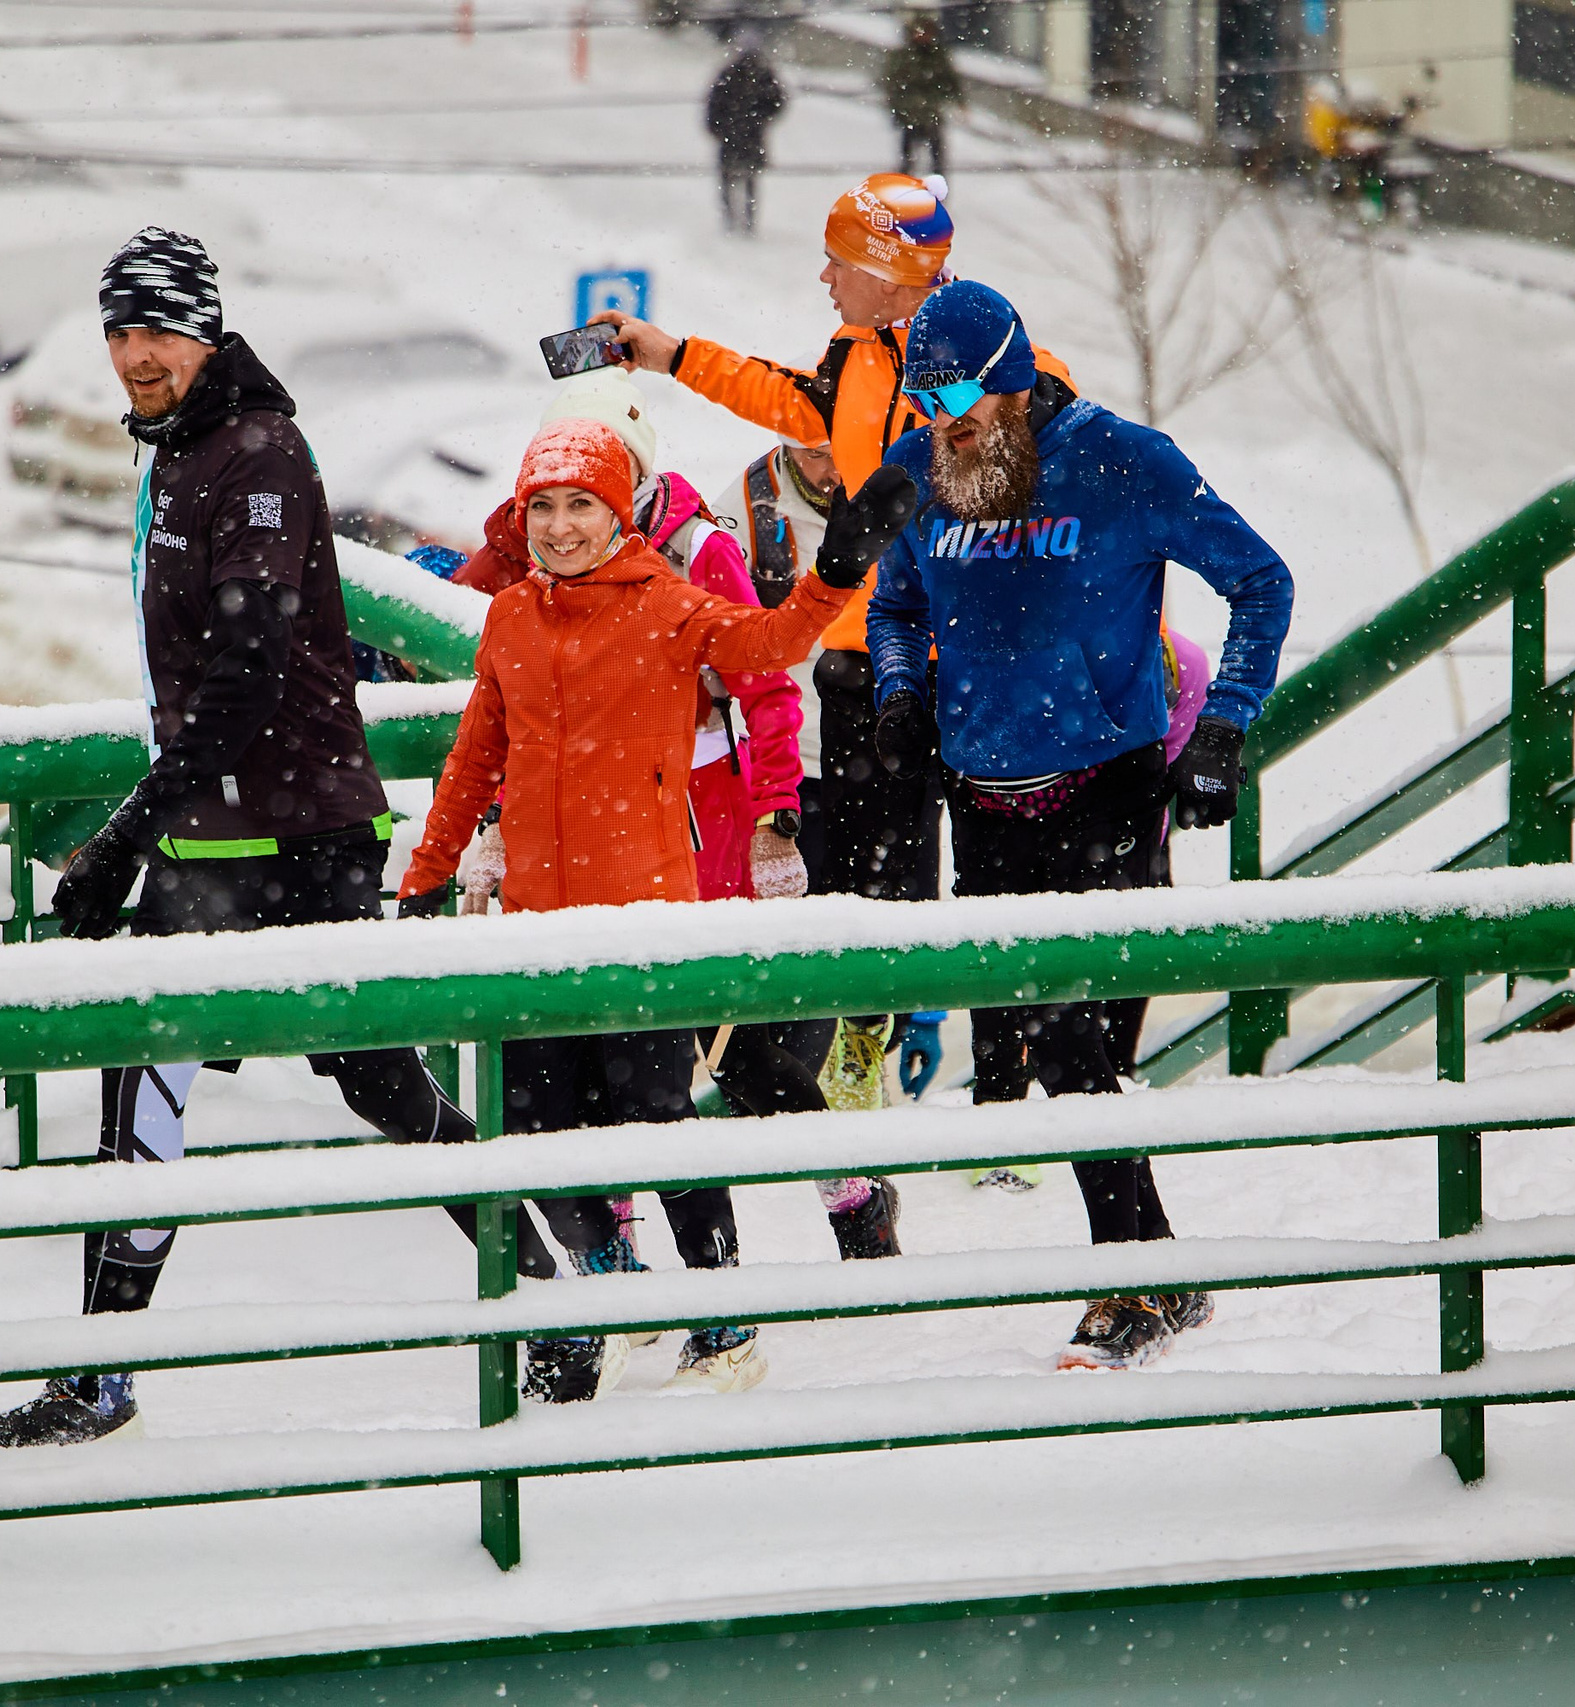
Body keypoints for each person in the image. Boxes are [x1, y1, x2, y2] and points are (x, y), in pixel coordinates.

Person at [0, 229, 554, 1452]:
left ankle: (552, 1307)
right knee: (166, 1085)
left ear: (206, 332)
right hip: (223, 832)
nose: (135, 354)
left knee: (365, 1080)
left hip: (296, 833)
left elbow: (250, 669)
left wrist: (120, 838)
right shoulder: (183, 447)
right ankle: (101, 1376)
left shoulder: (256, 453)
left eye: (158, 329)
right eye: (119, 331)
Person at [399, 420, 916, 1399]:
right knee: (542, 1127)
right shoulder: (510, 617)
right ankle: (608, 1295)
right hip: (539, 928)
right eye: (542, 507)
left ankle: (723, 1328)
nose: (560, 526)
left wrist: (838, 571)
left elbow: (772, 646)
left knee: (658, 1120)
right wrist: (429, 872)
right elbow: (475, 756)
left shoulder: (666, 604)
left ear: (616, 513)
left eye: (580, 505)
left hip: (644, 922)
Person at [866, 279, 1294, 1371]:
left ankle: (1129, 1291)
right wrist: (901, 695)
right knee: (1062, 1054)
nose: (939, 419)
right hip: (981, 805)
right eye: (921, 399)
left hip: (1106, 793)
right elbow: (893, 605)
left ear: (1011, 378)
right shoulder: (920, 470)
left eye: (955, 394)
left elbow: (1261, 581)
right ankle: (1161, 1274)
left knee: (1073, 1044)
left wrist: (1224, 727)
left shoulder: (1124, 460)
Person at [595, 176, 1081, 1109]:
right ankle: (863, 1042)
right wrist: (672, 354)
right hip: (867, 656)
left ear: (889, 276)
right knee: (869, 880)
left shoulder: (1007, 357)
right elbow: (788, 401)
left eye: (838, 263)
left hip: (983, 662)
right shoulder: (854, 354)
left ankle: (1006, 1100)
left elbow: (1072, 475)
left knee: (999, 885)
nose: (824, 278)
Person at [464, 373, 901, 1263]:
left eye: (605, 476)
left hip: (705, 816)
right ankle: (622, 1257)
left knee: (727, 1044)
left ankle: (850, 1197)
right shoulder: (539, 548)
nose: (569, 511)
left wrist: (777, 815)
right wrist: (494, 823)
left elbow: (767, 681)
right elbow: (512, 709)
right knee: (596, 1037)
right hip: (591, 822)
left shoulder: (698, 549)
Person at [705, 29, 787, 234]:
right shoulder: (761, 74)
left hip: (737, 135)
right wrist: (760, 118)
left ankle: (734, 219)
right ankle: (743, 220)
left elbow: (714, 104)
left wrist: (719, 126)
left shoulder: (733, 74)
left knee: (734, 178)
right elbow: (777, 102)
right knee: (746, 179)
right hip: (746, 135)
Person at [880, 10, 961, 179]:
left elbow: (950, 80)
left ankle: (936, 188)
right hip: (910, 113)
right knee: (907, 156)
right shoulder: (904, 56)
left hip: (931, 112)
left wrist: (958, 101)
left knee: (936, 157)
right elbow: (892, 83)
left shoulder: (937, 56)